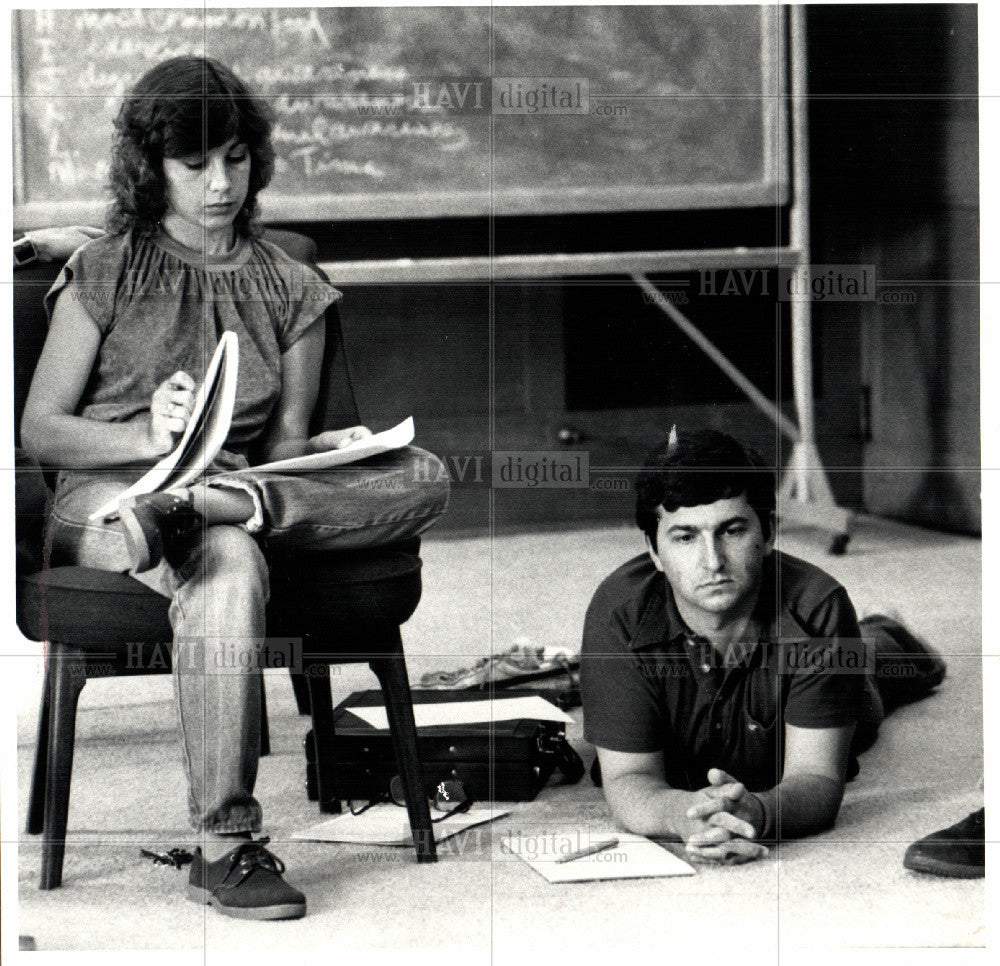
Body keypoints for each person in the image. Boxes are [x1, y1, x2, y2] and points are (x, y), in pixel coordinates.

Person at [20, 57, 449, 919]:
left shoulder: (291, 286)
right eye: (195, 164)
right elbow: (38, 430)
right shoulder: (108, 270)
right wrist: (147, 436)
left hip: (235, 489)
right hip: (107, 495)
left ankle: (209, 507)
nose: (221, 184)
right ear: (154, 168)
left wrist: (331, 447)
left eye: (237, 159)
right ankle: (227, 844)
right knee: (228, 558)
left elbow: (284, 444)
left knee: (423, 475)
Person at [580, 428, 944, 865]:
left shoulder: (818, 608)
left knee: (871, 672)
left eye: (731, 531)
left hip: (835, 675)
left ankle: (886, 633)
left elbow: (816, 780)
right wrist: (684, 816)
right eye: (685, 537)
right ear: (654, 552)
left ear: (768, 531)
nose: (712, 561)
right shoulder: (618, 614)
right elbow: (628, 780)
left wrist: (758, 812)